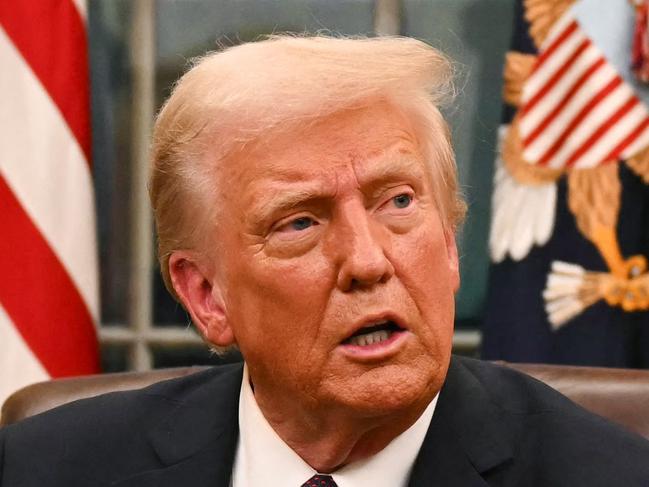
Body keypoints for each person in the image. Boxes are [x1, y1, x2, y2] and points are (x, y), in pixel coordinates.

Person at [1, 35, 649, 487]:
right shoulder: (42, 470)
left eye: (397, 201)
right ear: (206, 295)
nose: (367, 262)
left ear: (449, 244)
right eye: (300, 222)